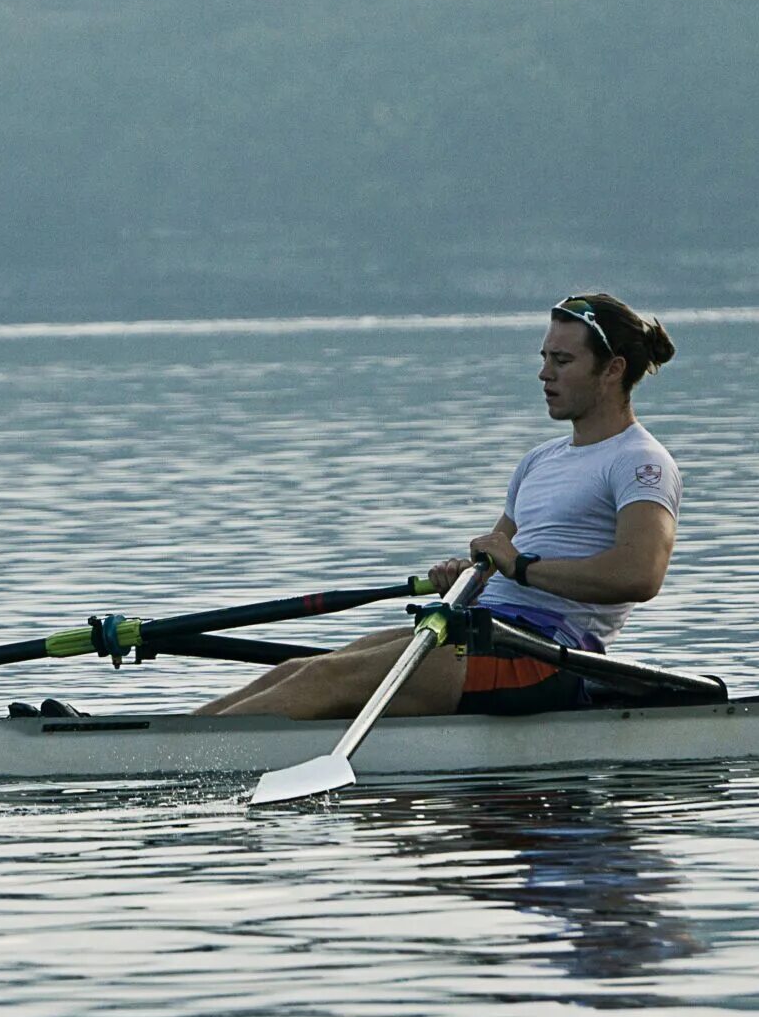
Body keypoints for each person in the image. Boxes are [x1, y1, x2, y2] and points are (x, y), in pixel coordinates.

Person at [194, 293, 679, 719]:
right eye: (544, 357)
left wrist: (522, 568)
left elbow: (640, 575)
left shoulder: (640, 461)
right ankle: (163, 746)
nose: (543, 373)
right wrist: (465, 574)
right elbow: (494, 559)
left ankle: (175, 763)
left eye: (562, 361)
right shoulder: (539, 460)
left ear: (613, 368)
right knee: (307, 668)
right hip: (478, 627)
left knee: (326, 683)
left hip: (544, 653)